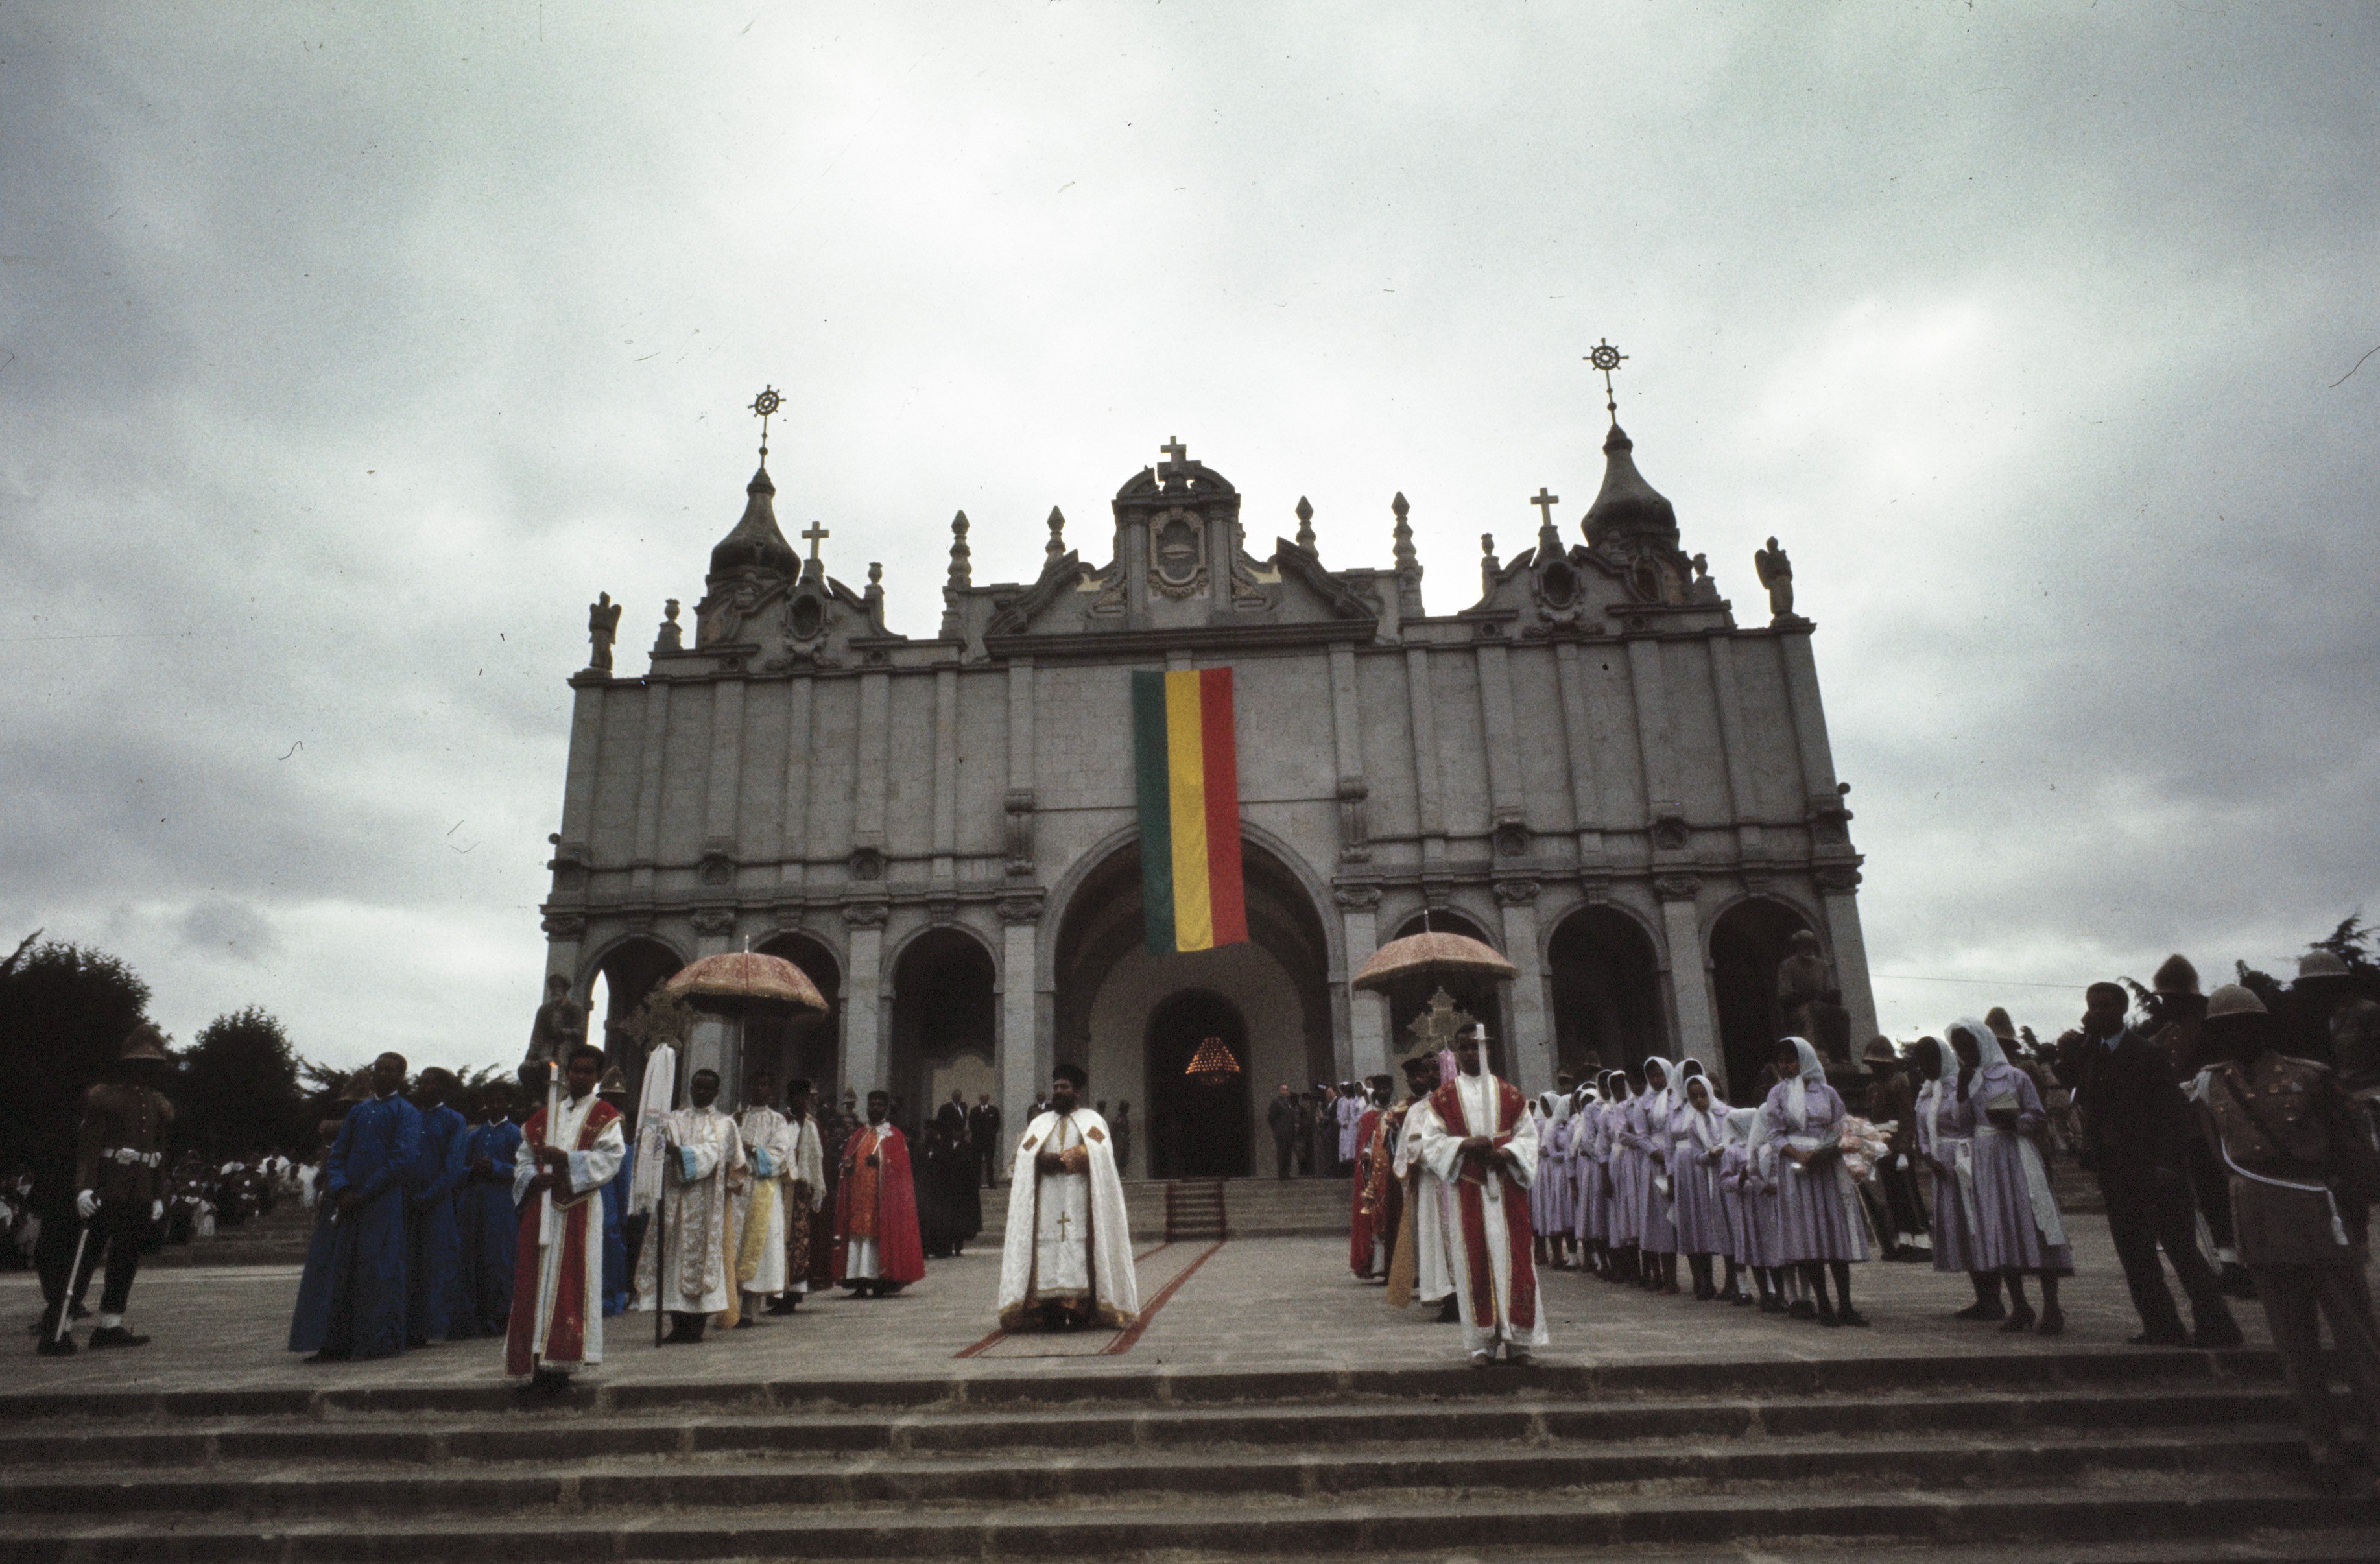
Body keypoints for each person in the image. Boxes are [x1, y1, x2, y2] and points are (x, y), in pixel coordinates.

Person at [2195, 982, 2380, 1499]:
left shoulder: (2311, 1078)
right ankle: (2325, 1451)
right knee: (2295, 1349)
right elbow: (2218, 1156)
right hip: (2259, 1218)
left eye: (2242, 1024)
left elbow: (2354, 1152)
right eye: (2223, 1028)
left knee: (2357, 1340)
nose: (2234, 1035)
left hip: (2317, 1213)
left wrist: (2353, 1212)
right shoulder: (2211, 1087)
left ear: (2261, 1025)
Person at [2056, 980, 2242, 1348]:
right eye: (2092, 1005)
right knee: (2135, 1254)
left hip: (2155, 1169)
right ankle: (2161, 1324)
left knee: (2182, 1251)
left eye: (2106, 1005)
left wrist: (2166, 1164)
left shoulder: (2147, 1052)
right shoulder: (2091, 1055)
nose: (2098, 1012)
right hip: (2116, 1171)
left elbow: (2171, 1114)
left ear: (2123, 1010)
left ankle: (2217, 1326)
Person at [38, 1024, 174, 1355]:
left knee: (126, 1260)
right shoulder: (106, 1099)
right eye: (142, 1064)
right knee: (83, 1260)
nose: (148, 1070)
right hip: (106, 1190)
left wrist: (158, 1194)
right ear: (129, 1065)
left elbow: (159, 1154)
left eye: (153, 1065)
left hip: (139, 1192)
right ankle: (59, 1330)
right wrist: (84, 1189)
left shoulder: (157, 1105)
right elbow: (88, 1148)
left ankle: (109, 1326)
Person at [1414, 1025, 1544, 1366]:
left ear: (1488, 1049)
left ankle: (1520, 1341)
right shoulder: (1444, 1098)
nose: (1471, 1053)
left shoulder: (1509, 1094)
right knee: (1474, 1261)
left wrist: (1508, 1153)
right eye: (1465, 1048)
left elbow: (1529, 1137)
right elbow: (1431, 1143)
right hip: (1470, 1189)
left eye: (1477, 1047)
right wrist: (1463, 1144)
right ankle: (1481, 1344)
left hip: (1505, 1191)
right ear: (1456, 1052)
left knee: (1515, 1260)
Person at [506, 1043, 626, 1388]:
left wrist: (568, 1162)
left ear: (598, 1076)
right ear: (566, 1073)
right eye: (575, 1070)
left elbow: (610, 1159)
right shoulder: (545, 1116)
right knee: (536, 1278)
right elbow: (524, 1158)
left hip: (579, 1207)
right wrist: (533, 1177)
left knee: (573, 1280)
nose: (581, 1077)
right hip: (542, 1205)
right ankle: (533, 1355)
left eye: (589, 1071)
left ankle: (562, 1357)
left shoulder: (605, 1116)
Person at [292, 1052, 422, 1362]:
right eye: (378, 1070)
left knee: (377, 1270)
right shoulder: (359, 1112)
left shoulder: (406, 1112)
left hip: (381, 1202)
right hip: (349, 1202)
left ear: (401, 1077)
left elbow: (401, 1159)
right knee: (340, 1271)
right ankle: (333, 1342)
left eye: (391, 1071)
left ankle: (376, 1342)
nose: (383, 1075)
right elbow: (338, 1155)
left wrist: (364, 1191)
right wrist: (341, 1186)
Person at [1948, 1017, 2069, 1336]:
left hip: (2015, 1152)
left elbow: (2037, 1114)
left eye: (1968, 1045)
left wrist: (2014, 1121)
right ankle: (2019, 1305)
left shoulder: (2014, 1075)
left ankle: (2052, 1306)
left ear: (1983, 1043)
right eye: (1958, 1048)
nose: (1964, 1052)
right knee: (1999, 1224)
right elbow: (1962, 1125)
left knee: (2032, 1221)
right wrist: (1961, 1092)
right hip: (1986, 1157)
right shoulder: (1968, 1081)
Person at [996, 1064, 1138, 1329]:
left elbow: (1101, 1152)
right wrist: (1040, 1159)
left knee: (1078, 1248)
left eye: (1064, 1087)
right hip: (1047, 1203)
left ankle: (1081, 1309)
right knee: (1046, 1250)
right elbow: (1025, 1154)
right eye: (1056, 1087)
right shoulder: (1040, 1123)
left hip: (1079, 1200)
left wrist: (1067, 1159)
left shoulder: (1092, 1120)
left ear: (1077, 1092)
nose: (1058, 1092)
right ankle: (1049, 1309)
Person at [1759, 1037, 1870, 1327]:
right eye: (1782, 1061)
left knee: (1834, 1232)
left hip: (1826, 1164)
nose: (1787, 1066)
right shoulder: (1778, 1094)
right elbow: (1774, 1133)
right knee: (1810, 1235)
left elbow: (1839, 1124)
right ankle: (1823, 1305)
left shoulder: (1826, 1092)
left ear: (1805, 1060)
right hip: (1797, 1168)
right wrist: (1799, 1154)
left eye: (1792, 1059)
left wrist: (1826, 1150)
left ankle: (1846, 1304)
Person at [636, 1067, 744, 1344]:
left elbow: (717, 1154)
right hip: (675, 1201)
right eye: (697, 1087)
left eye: (707, 1088)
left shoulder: (725, 1124)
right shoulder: (675, 1118)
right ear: (690, 1088)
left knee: (700, 1261)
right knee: (673, 1262)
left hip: (707, 1203)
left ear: (716, 1091)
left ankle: (696, 1325)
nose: (701, 1092)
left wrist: (681, 1153)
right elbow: (658, 1142)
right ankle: (678, 1322)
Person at [1912, 1036, 2002, 1321]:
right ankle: (1982, 1297)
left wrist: (1962, 1090)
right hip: (1941, 1165)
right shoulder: (1926, 1093)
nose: (1926, 1067)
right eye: (1921, 1062)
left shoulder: (1961, 1084)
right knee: (1962, 1230)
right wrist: (1928, 1156)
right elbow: (1922, 1132)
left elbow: (1968, 1121)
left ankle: (1995, 1297)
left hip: (1966, 1158)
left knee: (1978, 1225)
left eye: (1931, 1060)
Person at [1388, 1051, 1459, 1319]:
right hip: (1433, 1183)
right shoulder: (1419, 1110)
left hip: (1461, 1183)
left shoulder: (1463, 1103)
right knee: (1436, 1241)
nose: (1430, 1076)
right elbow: (1410, 1148)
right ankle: (1446, 1296)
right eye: (1426, 1070)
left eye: (1435, 1069)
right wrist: (1439, 1152)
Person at [834, 1089, 925, 1298]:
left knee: (875, 1238)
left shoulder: (894, 1135)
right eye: (872, 1104)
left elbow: (903, 1170)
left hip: (881, 1200)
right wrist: (847, 1165)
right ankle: (857, 1281)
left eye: (879, 1105)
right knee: (857, 1238)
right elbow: (846, 1160)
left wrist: (882, 1163)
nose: (875, 1108)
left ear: (886, 1108)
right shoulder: (859, 1134)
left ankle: (879, 1280)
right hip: (858, 1197)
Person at [405, 1067, 470, 1347]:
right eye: (422, 1081)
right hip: (407, 1201)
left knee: (438, 1263)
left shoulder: (454, 1120)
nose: (425, 1086)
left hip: (437, 1203)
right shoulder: (410, 1117)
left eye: (431, 1082)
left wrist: (430, 1196)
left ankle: (437, 1327)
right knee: (409, 1264)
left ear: (443, 1089)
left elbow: (454, 1166)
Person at [1366, 1053, 1439, 1294]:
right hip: (1408, 1179)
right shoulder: (1399, 1109)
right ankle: (1415, 1275)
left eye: (1420, 1075)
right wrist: (1395, 1133)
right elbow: (1386, 1145)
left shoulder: (1439, 1102)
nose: (1417, 1081)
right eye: (1411, 1078)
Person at [456, 1080, 522, 1336]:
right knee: (473, 1258)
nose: (495, 1105)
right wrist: (473, 1169)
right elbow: (458, 1168)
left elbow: (523, 1170)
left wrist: (496, 1166)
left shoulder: (516, 1134)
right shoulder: (475, 1135)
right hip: (474, 1202)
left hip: (501, 1203)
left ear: (508, 1103)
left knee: (500, 1259)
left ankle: (502, 1318)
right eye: (491, 1100)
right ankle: (475, 1320)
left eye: (500, 1101)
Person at [732, 1072, 797, 1323]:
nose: (760, 1089)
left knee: (760, 1247)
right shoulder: (736, 1118)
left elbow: (780, 1156)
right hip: (739, 1190)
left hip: (764, 1190)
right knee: (735, 1243)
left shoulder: (777, 1120)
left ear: (771, 1090)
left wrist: (751, 1150)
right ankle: (730, 1307)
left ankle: (750, 1308)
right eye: (755, 1083)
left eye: (765, 1084)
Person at [765, 1078, 829, 1313]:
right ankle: (775, 1291)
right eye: (797, 1096)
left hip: (801, 1193)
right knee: (778, 1238)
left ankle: (793, 1294)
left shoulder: (813, 1126)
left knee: (799, 1242)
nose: (802, 1101)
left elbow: (820, 1162)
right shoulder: (779, 1122)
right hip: (780, 1189)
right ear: (789, 1097)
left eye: (806, 1097)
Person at [1862, 1037, 1928, 1261]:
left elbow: (1908, 1116)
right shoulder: (1874, 1087)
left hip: (1899, 1144)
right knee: (1894, 1196)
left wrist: (1904, 1148)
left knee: (1909, 1195)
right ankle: (1906, 1242)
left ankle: (1923, 1242)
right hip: (1883, 1145)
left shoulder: (1899, 1082)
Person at [1672, 1072, 1730, 1301]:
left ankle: (1734, 1281)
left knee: (1729, 1225)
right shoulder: (1693, 1125)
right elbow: (1698, 1156)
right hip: (1706, 1177)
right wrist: (1710, 1154)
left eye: (1703, 1095)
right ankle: (1707, 1280)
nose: (1699, 1101)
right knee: (1713, 1225)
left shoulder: (1726, 1114)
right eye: (1693, 1097)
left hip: (1727, 1174)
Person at [1626, 1058, 1680, 1295]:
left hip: (1677, 1158)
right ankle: (1668, 1278)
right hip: (1655, 1162)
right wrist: (1655, 1153)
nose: (1657, 1080)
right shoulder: (1643, 1104)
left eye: (1660, 1075)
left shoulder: (1677, 1098)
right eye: (1653, 1076)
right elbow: (1641, 1135)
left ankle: (1701, 1277)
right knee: (1661, 1220)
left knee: (1681, 1216)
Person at [595, 1068, 636, 1317]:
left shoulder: (622, 1121)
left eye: (618, 1097)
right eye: (610, 1096)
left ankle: (613, 1298)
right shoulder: (595, 1117)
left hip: (615, 1185)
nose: (614, 1101)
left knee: (613, 1243)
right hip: (598, 1182)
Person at [968, 1093, 1002, 1189]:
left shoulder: (994, 1110)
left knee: (990, 1163)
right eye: (982, 1098)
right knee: (977, 1163)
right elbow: (971, 1125)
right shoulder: (974, 1110)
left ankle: (991, 1182)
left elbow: (997, 1124)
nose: (983, 1099)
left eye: (985, 1098)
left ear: (988, 1099)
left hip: (989, 1141)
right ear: (980, 1099)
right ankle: (977, 1183)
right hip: (977, 1141)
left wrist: (991, 1135)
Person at [1268, 1084, 1300, 1180]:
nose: (1285, 1092)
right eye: (1283, 1090)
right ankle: (1282, 1174)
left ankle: (1287, 1173)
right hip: (1281, 1132)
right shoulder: (1276, 1102)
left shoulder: (1290, 1103)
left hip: (1290, 1133)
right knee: (1282, 1153)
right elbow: (1271, 1118)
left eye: (1286, 1090)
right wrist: (1277, 1129)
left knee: (1288, 1154)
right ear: (1280, 1091)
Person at [1112, 1100, 1134, 1179]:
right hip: (1120, 1140)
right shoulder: (1119, 1118)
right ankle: (1120, 1175)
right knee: (1120, 1157)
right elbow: (1116, 1129)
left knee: (1125, 1158)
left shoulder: (1125, 1118)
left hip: (1125, 1140)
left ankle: (1123, 1174)